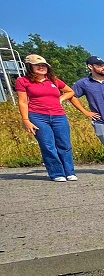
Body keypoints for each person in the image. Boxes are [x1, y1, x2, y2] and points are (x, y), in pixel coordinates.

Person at [15, 54, 77, 182]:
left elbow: (70, 91)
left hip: (58, 116)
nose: (41, 68)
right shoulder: (22, 81)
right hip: (37, 116)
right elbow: (22, 102)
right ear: (29, 67)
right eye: (37, 65)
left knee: (64, 144)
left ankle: (69, 172)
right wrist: (26, 120)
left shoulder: (53, 80)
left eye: (44, 65)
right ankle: (57, 173)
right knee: (48, 145)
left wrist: (60, 99)